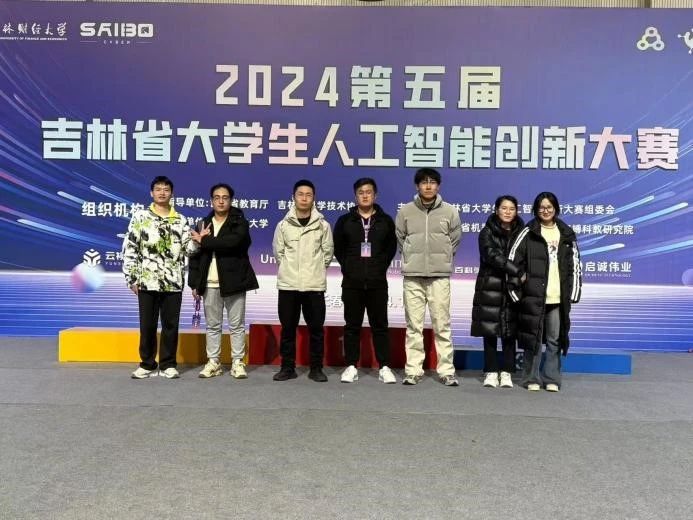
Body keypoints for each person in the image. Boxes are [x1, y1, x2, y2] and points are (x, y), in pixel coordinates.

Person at [123, 176, 204, 379]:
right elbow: (130, 248)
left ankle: (168, 364)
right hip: (147, 281)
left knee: (170, 325)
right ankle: (147, 364)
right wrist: (131, 278)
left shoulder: (180, 220)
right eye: (158, 189)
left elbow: (187, 250)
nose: (162, 193)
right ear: (151, 193)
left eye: (166, 189)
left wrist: (197, 242)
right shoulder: (140, 217)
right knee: (147, 325)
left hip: (173, 282)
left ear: (171, 193)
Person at [508, 192, 582, 392]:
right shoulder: (528, 231)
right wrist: (517, 287)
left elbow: (575, 264)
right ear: (535, 209)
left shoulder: (566, 233)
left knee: (554, 339)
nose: (545, 210)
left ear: (555, 209)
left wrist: (573, 293)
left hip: (557, 298)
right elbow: (513, 260)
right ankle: (530, 378)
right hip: (533, 297)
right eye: (541, 207)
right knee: (532, 339)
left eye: (549, 207)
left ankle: (551, 379)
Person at [395, 168, 462, 386]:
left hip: (439, 276)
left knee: (442, 325)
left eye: (432, 182)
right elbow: (400, 237)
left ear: (438, 186)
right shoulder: (405, 211)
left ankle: (447, 371)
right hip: (413, 276)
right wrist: (411, 256)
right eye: (424, 182)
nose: (428, 186)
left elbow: (455, 239)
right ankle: (413, 370)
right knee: (414, 326)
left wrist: (443, 257)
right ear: (417, 186)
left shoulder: (450, 211)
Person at [188, 183, 259, 379]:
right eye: (217, 197)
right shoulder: (203, 224)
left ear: (231, 200)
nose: (221, 201)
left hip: (234, 282)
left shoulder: (239, 222)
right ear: (211, 200)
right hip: (209, 283)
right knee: (212, 326)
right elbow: (195, 256)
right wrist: (194, 283)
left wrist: (205, 241)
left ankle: (237, 362)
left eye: (225, 197)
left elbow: (232, 244)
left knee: (236, 325)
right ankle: (214, 362)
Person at [333, 178, 398, 384]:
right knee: (352, 325)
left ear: (375, 195)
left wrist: (380, 266)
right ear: (355, 196)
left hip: (377, 282)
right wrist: (349, 268)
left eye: (368, 192)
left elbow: (391, 247)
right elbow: (338, 248)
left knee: (380, 325)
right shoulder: (345, 221)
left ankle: (384, 366)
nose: (365, 195)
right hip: (352, 283)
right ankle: (351, 366)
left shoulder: (385, 221)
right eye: (361, 192)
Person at [272, 179, 334, 382]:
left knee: (316, 330)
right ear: (294, 197)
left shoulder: (323, 226)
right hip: (288, 285)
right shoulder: (283, 225)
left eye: (308, 195)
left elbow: (327, 254)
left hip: (314, 285)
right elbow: (279, 253)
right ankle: (287, 367)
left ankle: (316, 368)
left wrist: (314, 271)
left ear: (314, 198)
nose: (304, 198)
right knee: (287, 329)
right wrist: (290, 270)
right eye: (300, 194)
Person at [470, 195, 524, 389]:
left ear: (516, 211)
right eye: (504, 208)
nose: (508, 212)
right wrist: (516, 271)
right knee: (490, 331)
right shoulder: (487, 232)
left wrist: (519, 274)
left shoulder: (522, 233)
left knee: (510, 331)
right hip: (490, 285)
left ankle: (507, 371)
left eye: (512, 208)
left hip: (513, 287)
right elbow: (491, 255)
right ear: (496, 210)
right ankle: (491, 371)